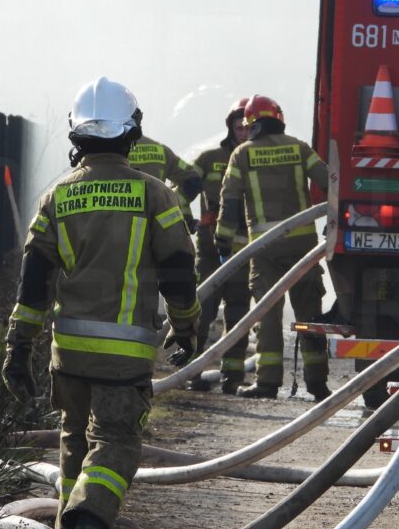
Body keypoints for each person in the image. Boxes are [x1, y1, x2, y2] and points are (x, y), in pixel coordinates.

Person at [1, 76, 200, 529]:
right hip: (123, 354)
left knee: (74, 439)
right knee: (115, 442)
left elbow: (33, 285)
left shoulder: (56, 197)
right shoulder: (154, 194)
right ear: (132, 133)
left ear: (77, 135)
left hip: (68, 353)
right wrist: (186, 328)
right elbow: (179, 271)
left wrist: (17, 348)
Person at [215, 94, 331, 401]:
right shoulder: (298, 148)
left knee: (267, 316)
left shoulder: (242, 154)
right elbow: (329, 181)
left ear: (251, 124)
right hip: (303, 247)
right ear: (279, 118)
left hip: (265, 250)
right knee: (310, 315)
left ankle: (267, 382)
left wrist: (223, 241)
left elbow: (229, 200)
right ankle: (318, 382)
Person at [187, 98, 252, 394]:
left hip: (244, 249)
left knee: (238, 312)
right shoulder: (209, 158)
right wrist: (183, 219)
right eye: (239, 127)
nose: (243, 132)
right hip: (211, 248)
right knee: (203, 310)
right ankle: (192, 372)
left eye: (248, 127)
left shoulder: (256, 159)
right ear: (230, 128)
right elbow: (182, 188)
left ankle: (232, 376)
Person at [129, 133, 202, 229]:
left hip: (122, 223)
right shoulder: (161, 150)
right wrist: (172, 202)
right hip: (159, 222)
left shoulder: (112, 151)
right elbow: (193, 180)